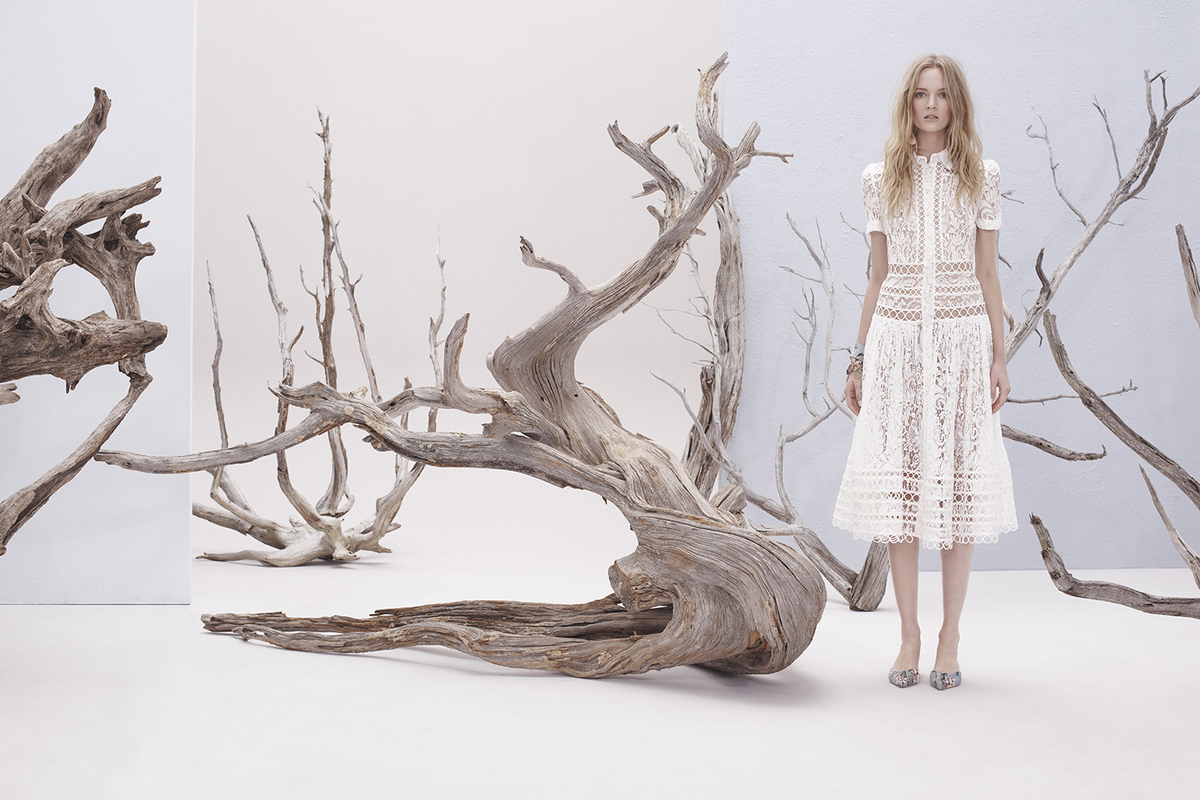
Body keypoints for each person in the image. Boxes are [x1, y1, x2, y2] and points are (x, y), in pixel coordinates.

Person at [832, 54, 1018, 691]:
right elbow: (877, 276)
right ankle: (909, 634)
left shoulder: (980, 175)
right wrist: (858, 358)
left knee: (958, 494)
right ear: (907, 103)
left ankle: (950, 636)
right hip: (897, 344)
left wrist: (999, 357)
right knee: (902, 494)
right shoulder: (881, 177)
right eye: (920, 94)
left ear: (955, 103)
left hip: (964, 345)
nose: (931, 104)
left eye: (940, 94)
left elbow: (988, 272)